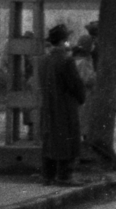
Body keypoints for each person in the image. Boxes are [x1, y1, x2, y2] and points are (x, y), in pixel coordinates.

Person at [37, 23, 87, 184]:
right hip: (65, 106)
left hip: (48, 105)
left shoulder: (44, 60)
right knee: (68, 139)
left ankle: (47, 175)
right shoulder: (66, 60)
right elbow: (75, 84)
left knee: (50, 138)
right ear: (64, 41)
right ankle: (65, 176)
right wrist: (81, 98)